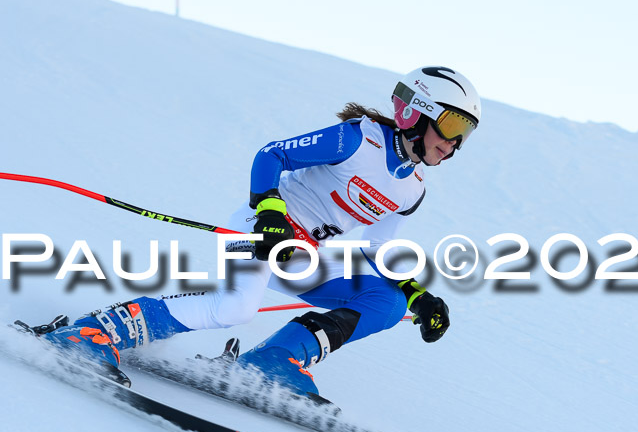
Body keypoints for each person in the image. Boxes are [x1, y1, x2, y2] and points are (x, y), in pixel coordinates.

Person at [40, 66, 482, 398]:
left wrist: (416, 294)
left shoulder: (412, 189)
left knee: (386, 301)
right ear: (417, 111)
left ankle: (274, 363)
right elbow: (272, 155)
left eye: (465, 133)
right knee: (234, 308)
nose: (454, 143)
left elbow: (376, 249)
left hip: (302, 256)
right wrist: (270, 210)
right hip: (262, 229)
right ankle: (95, 334)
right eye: (451, 125)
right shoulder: (356, 139)